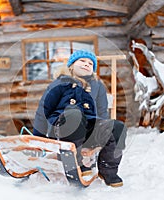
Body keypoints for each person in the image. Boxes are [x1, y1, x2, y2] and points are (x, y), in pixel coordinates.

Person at [33, 49, 127, 187]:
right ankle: (76, 163)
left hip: (87, 129)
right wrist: (38, 137)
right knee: (74, 113)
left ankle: (108, 170)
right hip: (62, 128)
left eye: (90, 63)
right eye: (82, 61)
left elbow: (101, 113)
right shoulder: (59, 84)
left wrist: (104, 130)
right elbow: (43, 110)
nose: (86, 64)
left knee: (117, 126)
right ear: (70, 65)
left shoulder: (96, 86)